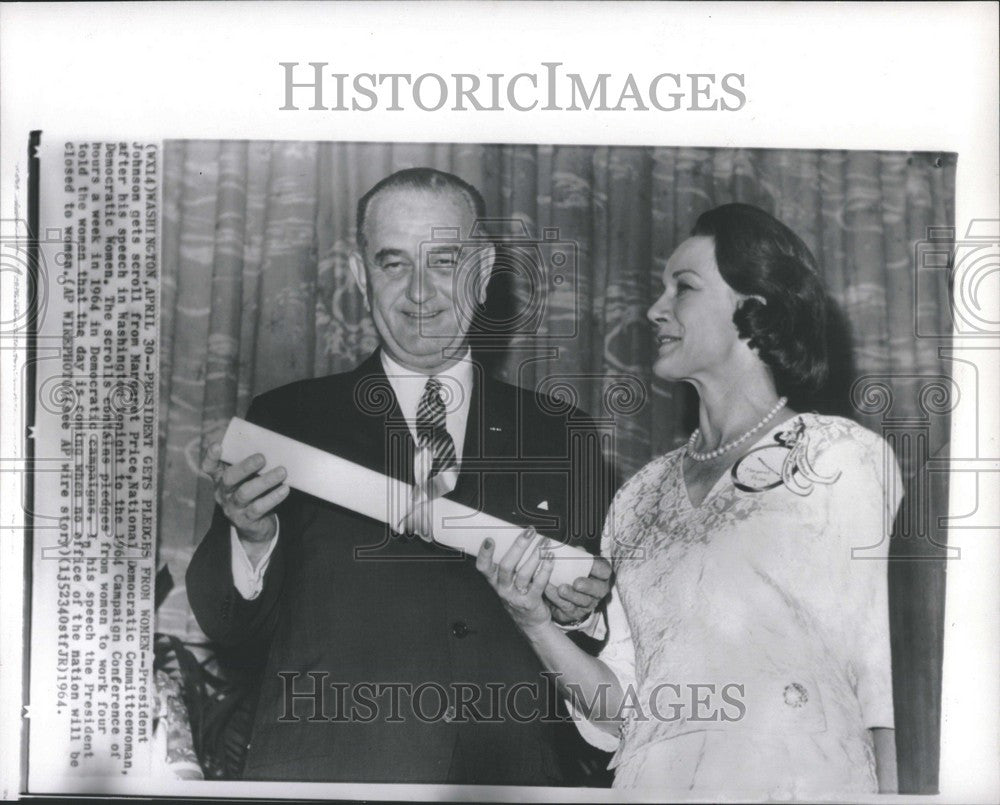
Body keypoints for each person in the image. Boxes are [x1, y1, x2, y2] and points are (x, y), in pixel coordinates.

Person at [186, 168, 614, 784]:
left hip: (511, 777)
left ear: (484, 270)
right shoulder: (288, 421)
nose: (421, 292)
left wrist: (579, 609)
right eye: (393, 264)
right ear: (361, 275)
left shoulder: (560, 433)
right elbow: (227, 625)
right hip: (335, 776)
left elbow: (605, 652)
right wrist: (252, 540)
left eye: (444, 261)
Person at [476, 203, 902, 796]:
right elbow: (619, 709)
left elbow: (880, 684)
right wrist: (536, 624)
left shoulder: (837, 457)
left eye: (684, 287)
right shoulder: (638, 496)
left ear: (755, 307)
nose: (656, 308)